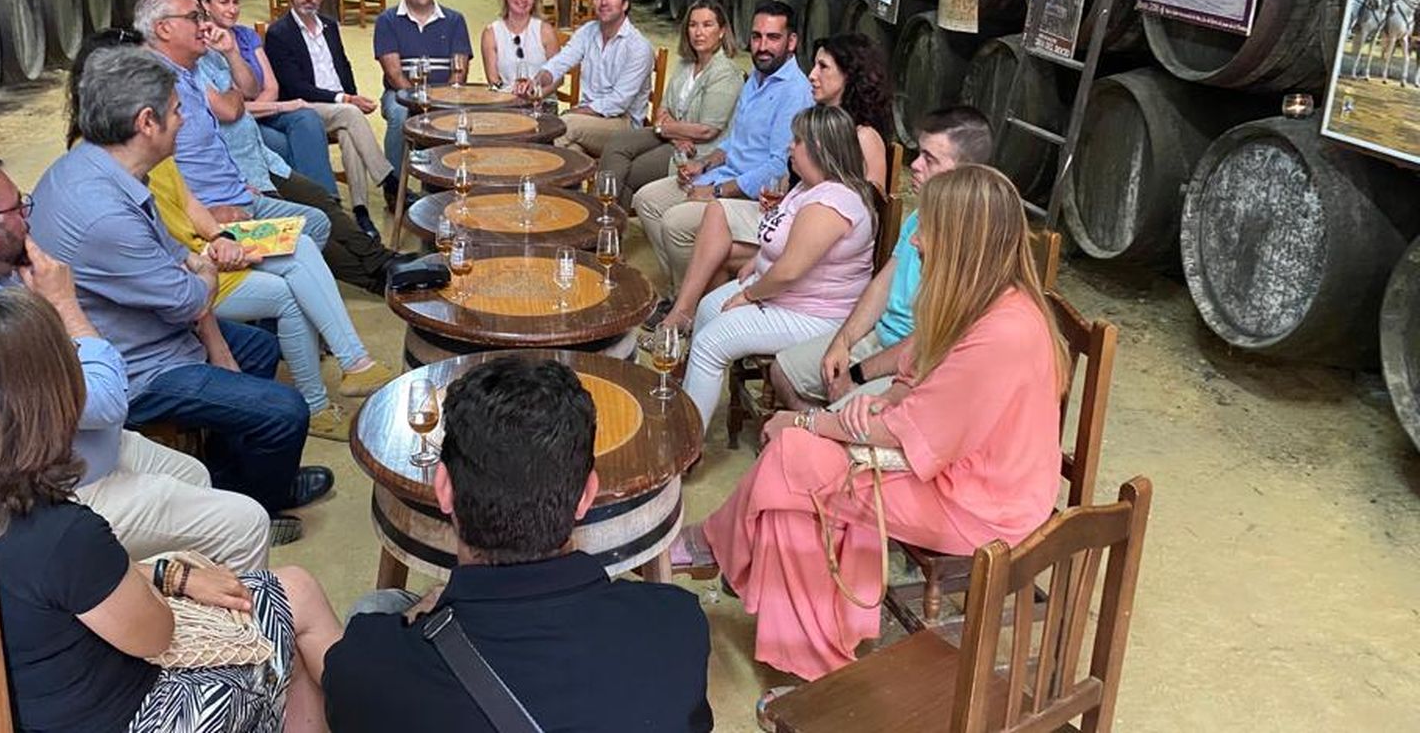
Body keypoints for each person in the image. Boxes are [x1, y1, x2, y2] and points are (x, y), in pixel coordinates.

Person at [671, 164, 1069, 689]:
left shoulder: (1004, 332)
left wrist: (814, 420)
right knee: (798, 469)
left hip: (982, 503)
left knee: (794, 460)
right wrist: (877, 405)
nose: (918, 242)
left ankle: (739, 573)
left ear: (962, 241)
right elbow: (920, 382)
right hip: (957, 469)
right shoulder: (988, 297)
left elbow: (913, 432)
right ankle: (809, 647)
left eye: (930, 231)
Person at [0, 287, 342, 733]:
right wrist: (165, 580)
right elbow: (156, 634)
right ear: (52, 401)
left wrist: (168, 574)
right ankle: (372, 704)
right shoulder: (64, 533)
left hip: (37, 703)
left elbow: (64, 592)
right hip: (135, 715)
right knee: (296, 605)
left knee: (289, 624)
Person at [0, 147, 271, 570]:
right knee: (246, 523)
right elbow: (106, 403)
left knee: (194, 475)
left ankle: (162, 608)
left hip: (55, 457)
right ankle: (215, 629)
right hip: (27, 510)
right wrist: (64, 303)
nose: (28, 216)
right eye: (18, 207)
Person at [30, 46, 331, 544]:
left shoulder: (102, 167)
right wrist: (204, 273)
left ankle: (237, 482)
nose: (184, 117)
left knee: (259, 349)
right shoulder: (103, 210)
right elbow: (191, 297)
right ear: (146, 122)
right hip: (136, 367)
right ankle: (258, 508)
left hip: (150, 332)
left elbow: (180, 261)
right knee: (285, 411)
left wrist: (199, 273)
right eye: (176, 110)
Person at [323, 356, 713, 732]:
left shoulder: (368, 670)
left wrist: (428, 610)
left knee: (378, 606)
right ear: (586, 495)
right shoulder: (677, 627)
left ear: (443, 488)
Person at [65, 31, 393, 439]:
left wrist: (221, 235)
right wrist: (209, 255)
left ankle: (354, 363)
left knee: (304, 242)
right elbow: (155, 249)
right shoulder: (106, 157)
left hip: (203, 250)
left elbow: (187, 203)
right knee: (286, 294)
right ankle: (315, 405)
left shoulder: (140, 139)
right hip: (185, 271)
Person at [137, 0, 407, 296]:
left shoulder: (229, 42)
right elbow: (232, 107)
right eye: (217, 5)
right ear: (205, 5)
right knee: (308, 224)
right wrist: (243, 96)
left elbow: (255, 89)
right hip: (238, 168)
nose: (232, 9)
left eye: (236, 1)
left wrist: (232, 56)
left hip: (254, 155)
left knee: (319, 197)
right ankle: (381, 274)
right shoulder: (183, 65)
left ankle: (381, 259)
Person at [650, 31, 891, 336]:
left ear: (850, 74)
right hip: (787, 220)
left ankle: (701, 328)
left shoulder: (864, 136)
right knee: (716, 215)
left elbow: (867, 214)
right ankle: (696, 324)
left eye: (823, 67)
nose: (812, 76)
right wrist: (785, 201)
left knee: (716, 246)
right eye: (813, 66)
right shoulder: (814, 116)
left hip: (821, 255)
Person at [771, 107, 993, 410]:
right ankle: (815, 434)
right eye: (918, 154)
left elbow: (928, 343)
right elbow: (881, 285)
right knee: (782, 371)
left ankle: (821, 435)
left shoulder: (974, 244)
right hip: (879, 337)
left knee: (845, 415)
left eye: (930, 159)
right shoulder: (919, 215)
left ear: (965, 175)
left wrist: (856, 375)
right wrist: (843, 340)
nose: (914, 165)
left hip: (919, 364)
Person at [678, 105, 879, 429]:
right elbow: (784, 244)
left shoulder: (833, 203)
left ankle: (685, 442)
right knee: (707, 307)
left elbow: (790, 271)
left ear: (820, 150)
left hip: (815, 313)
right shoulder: (808, 186)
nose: (790, 146)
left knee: (710, 343)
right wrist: (758, 263)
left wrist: (751, 294)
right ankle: (688, 405)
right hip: (785, 295)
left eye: (797, 140)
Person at [634, 0, 812, 310]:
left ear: (792, 42)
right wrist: (701, 164)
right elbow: (732, 142)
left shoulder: (794, 92)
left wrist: (715, 191)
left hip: (750, 196)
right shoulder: (755, 79)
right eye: (757, 37)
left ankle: (691, 308)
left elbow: (776, 167)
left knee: (675, 223)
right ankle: (683, 292)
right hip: (722, 176)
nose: (762, 46)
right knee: (647, 201)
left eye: (773, 37)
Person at [214, 0, 400, 233]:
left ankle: (360, 212)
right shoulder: (280, 33)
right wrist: (345, 99)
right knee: (350, 113)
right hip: (305, 104)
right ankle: (389, 180)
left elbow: (343, 67)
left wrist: (349, 94)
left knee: (349, 130)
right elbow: (294, 87)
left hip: (337, 109)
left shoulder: (330, 26)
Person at [596, 0, 742, 209]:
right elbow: (662, 110)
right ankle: (601, 216)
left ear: (721, 31)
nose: (698, 32)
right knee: (618, 141)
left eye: (707, 25)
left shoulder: (725, 73)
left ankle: (608, 227)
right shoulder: (685, 64)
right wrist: (674, 135)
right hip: (675, 140)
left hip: (698, 150)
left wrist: (665, 128)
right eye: (693, 25)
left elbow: (706, 131)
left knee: (629, 172)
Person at [517, 0, 655, 157]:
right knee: (570, 151)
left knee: (563, 127)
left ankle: (533, 180)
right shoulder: (588, 31)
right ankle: (568, 186)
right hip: (587, 121)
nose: (604, 2)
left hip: (624, 124)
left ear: (625, 4)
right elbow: (560, 62)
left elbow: (618, 102)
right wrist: (539, 80)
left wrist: (577, 112)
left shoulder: (639, 47)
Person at [373, 0, 473, 169]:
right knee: (400, 114)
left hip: (446, 94)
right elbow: (394, 75)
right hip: (401, 94)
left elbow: (459, 72)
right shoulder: (387, 20)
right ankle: (395, 185)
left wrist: (439, 103)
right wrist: (418, 103)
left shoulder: (455, 20)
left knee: (462, 117)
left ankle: (440, 179)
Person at [479, 0, 558, 90]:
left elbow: (558, 78)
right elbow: (493, 81)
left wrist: (536, 96)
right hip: (505, 102)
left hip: (541, 101)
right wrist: (511, 99)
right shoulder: (491, 33)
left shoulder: (546, 31)